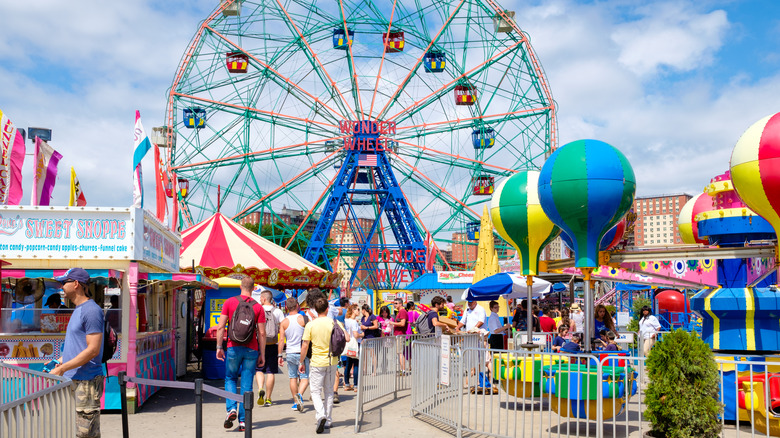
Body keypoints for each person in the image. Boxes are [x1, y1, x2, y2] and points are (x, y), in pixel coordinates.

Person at [48, 268, 104, 438]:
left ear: (76, 284)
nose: (61, 287)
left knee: (85, 434)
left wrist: (62, 368)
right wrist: (60, 360)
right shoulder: (78, 309)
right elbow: (79, 347)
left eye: (64, 283)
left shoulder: (91, 311)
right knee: (74, 431)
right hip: (75, 379)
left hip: (86, 382)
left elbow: (93, 349)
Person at [215, 276, 266, 432]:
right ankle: (243, 421)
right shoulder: (258, 307)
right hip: (252, 349)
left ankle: (231, 409)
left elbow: (221, 327)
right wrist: (262, 354)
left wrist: (219, 346)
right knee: (246, 384)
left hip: (233, 347)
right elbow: (262, 333)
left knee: (230, 378)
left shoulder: (230, 302)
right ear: (253, 288)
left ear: (240, 287)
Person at [300, 296, 349, 434]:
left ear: (315, 310)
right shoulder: (334, 322)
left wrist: (301, 361)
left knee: (315, 391)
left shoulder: (311, 324)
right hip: (332, 361)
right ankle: (328, 420)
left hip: (316, 362)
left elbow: (305, 345)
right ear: (327, 309)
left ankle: (320, 414)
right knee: (328, 391)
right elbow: (347, 337)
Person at [278, 297, 308, 413]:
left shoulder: (284, 322)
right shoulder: (304, 319)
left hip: (290, 352)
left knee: (292, 378)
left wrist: (280, 355)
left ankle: (295, 402)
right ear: (297, 306)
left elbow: (281, 340)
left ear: (286, 307)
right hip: (302, 352)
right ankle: (300, 395)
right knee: (304, 378)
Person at [255, 290, 285, 407]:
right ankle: (268, 398)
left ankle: (260, 388)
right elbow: (283, 326)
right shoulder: (277, 311)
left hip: (259, 343)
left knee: (259, 370)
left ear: (263, 299)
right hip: (272, 344)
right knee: (271, 372)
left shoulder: (258, 310)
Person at [343, 304, 362, 391]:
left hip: (349, 343)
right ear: (353, 310)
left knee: (348, 364)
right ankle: (356, 385)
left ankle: (346, 383)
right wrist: (362, 334)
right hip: (355, 343)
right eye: (357, 309)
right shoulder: (353, 322)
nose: (359, 311)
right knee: (356, 364)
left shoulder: (347, 320)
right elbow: (356, 334)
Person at [390, 298, 408, 372]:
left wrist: (393, 323)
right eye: (394, 303)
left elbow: (402, 323)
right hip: (398, 334)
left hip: (400, 334)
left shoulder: (402, 311)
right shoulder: (399, 312)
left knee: (400, 353)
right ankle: (402, 369)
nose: (395, 305)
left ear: (401, 304)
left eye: (396, 303)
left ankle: (403, 369)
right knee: (399, 352)